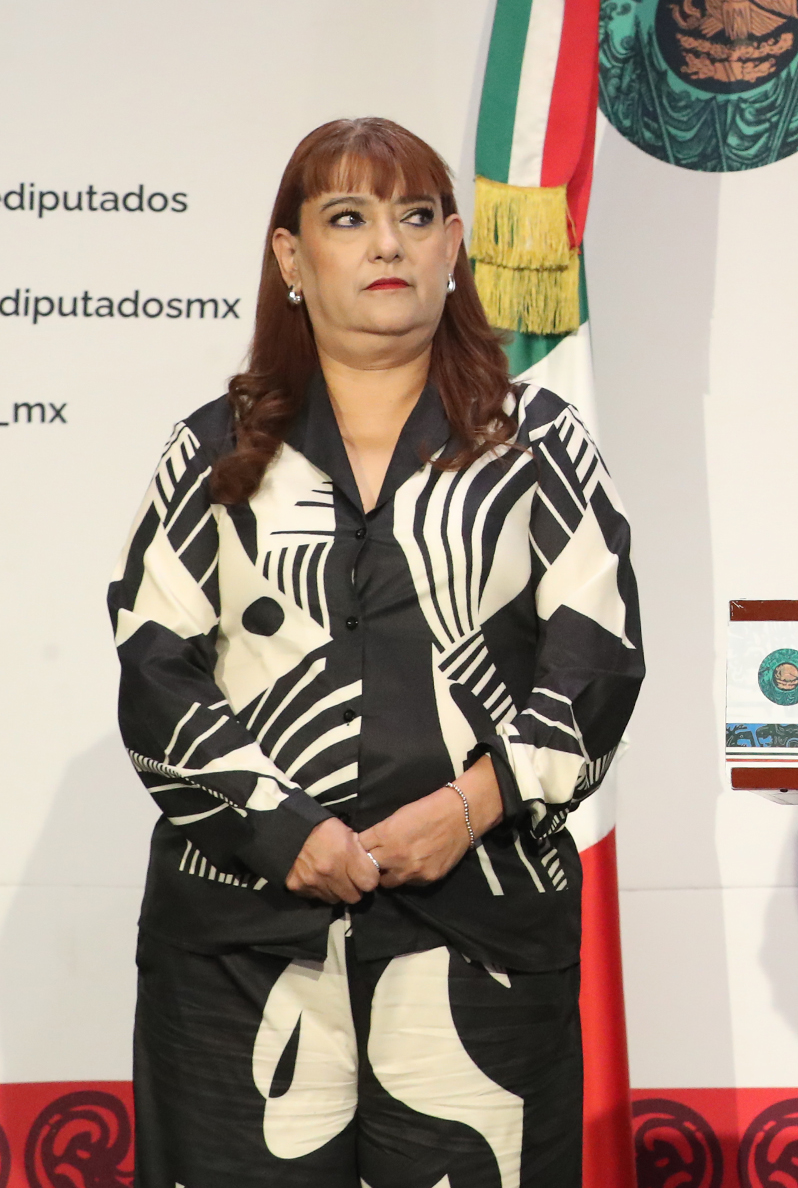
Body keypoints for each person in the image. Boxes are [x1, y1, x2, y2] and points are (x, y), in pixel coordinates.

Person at [109, 117, 643, 1188]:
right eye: (348, 218)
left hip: (481, 936)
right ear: (292, 256)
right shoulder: (211, 449)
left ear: (454, 246)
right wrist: (280, 826)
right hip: (237, 949)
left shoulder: (540, 444)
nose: (388, 244)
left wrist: (472, 805)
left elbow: (598, 659)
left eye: (415, 216)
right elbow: (155, 667)